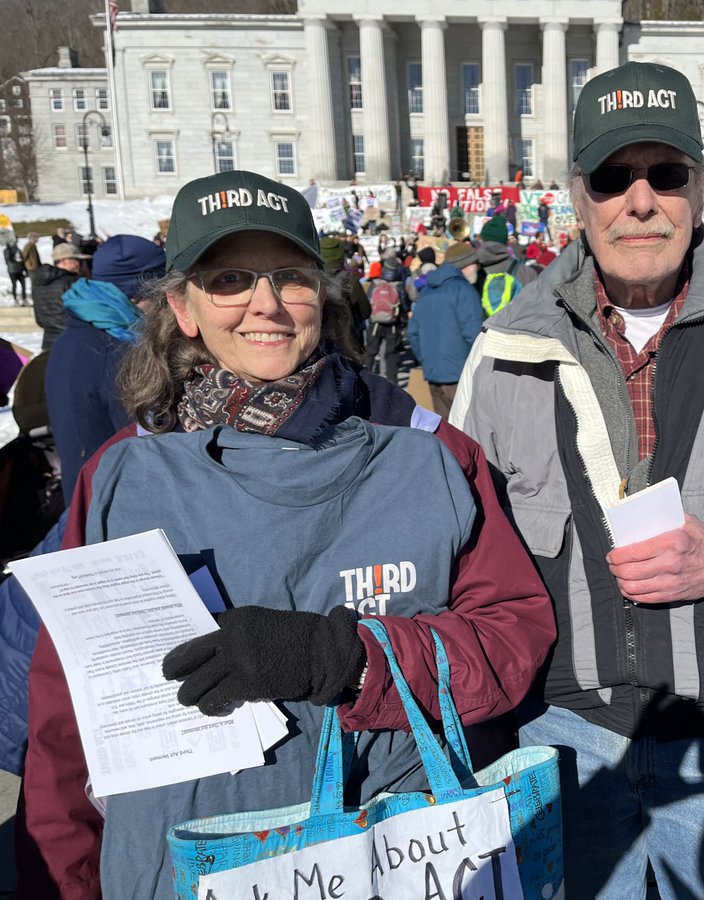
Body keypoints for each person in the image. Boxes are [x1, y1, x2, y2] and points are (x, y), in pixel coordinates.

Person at [19, 170, 555, 900]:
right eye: (230, 279)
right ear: (182, 307)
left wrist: (347, 659)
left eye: (289, 277)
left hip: (390, 859)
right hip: (183, 867)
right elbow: (67, 719)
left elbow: (511, 643)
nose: (265, 305)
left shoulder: (431, 456)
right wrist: (60, 880)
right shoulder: (121, 479)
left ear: (321, 297)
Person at [451, 61, 704, 899]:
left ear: (701, 188)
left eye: (665, 174)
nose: (640, 201)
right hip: (559, 742)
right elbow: (464, 551)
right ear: (578, 196)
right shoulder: (503, 350)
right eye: (613, 176)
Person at [45, 235, 164, 502]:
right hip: (114, 513)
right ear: (139, 296)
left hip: (84, 500)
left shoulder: (74, 334)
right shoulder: (119, 352)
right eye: (162, 297)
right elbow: (148, 448)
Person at [408, 241, 484, 417]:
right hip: (460, 375)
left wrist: (427, 359)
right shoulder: (464, 290)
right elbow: (473, 335)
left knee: (446, 434)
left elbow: (413, 333)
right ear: (465, 264)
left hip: (433, 373)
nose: (478, 268)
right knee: (466, 433)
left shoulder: (426, 291)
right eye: (475, 263)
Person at [32, 242, 89, 354]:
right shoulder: (73, 282)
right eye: (77, 260)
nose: (81, 264)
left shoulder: (39, 283)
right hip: (74, 343)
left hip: (48, 344)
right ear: (64, 260)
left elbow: (40, 320)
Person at [4, 240, 26, 305]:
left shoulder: (18, 249)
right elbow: (8, 258)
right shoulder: (7, 250)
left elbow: (22, 260)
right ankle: (15, 299)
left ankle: (24, 299)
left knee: (24, 285)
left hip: (20, 270)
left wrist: (25, 269)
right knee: (14, 285)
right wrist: (10, 249)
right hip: (12, 270)